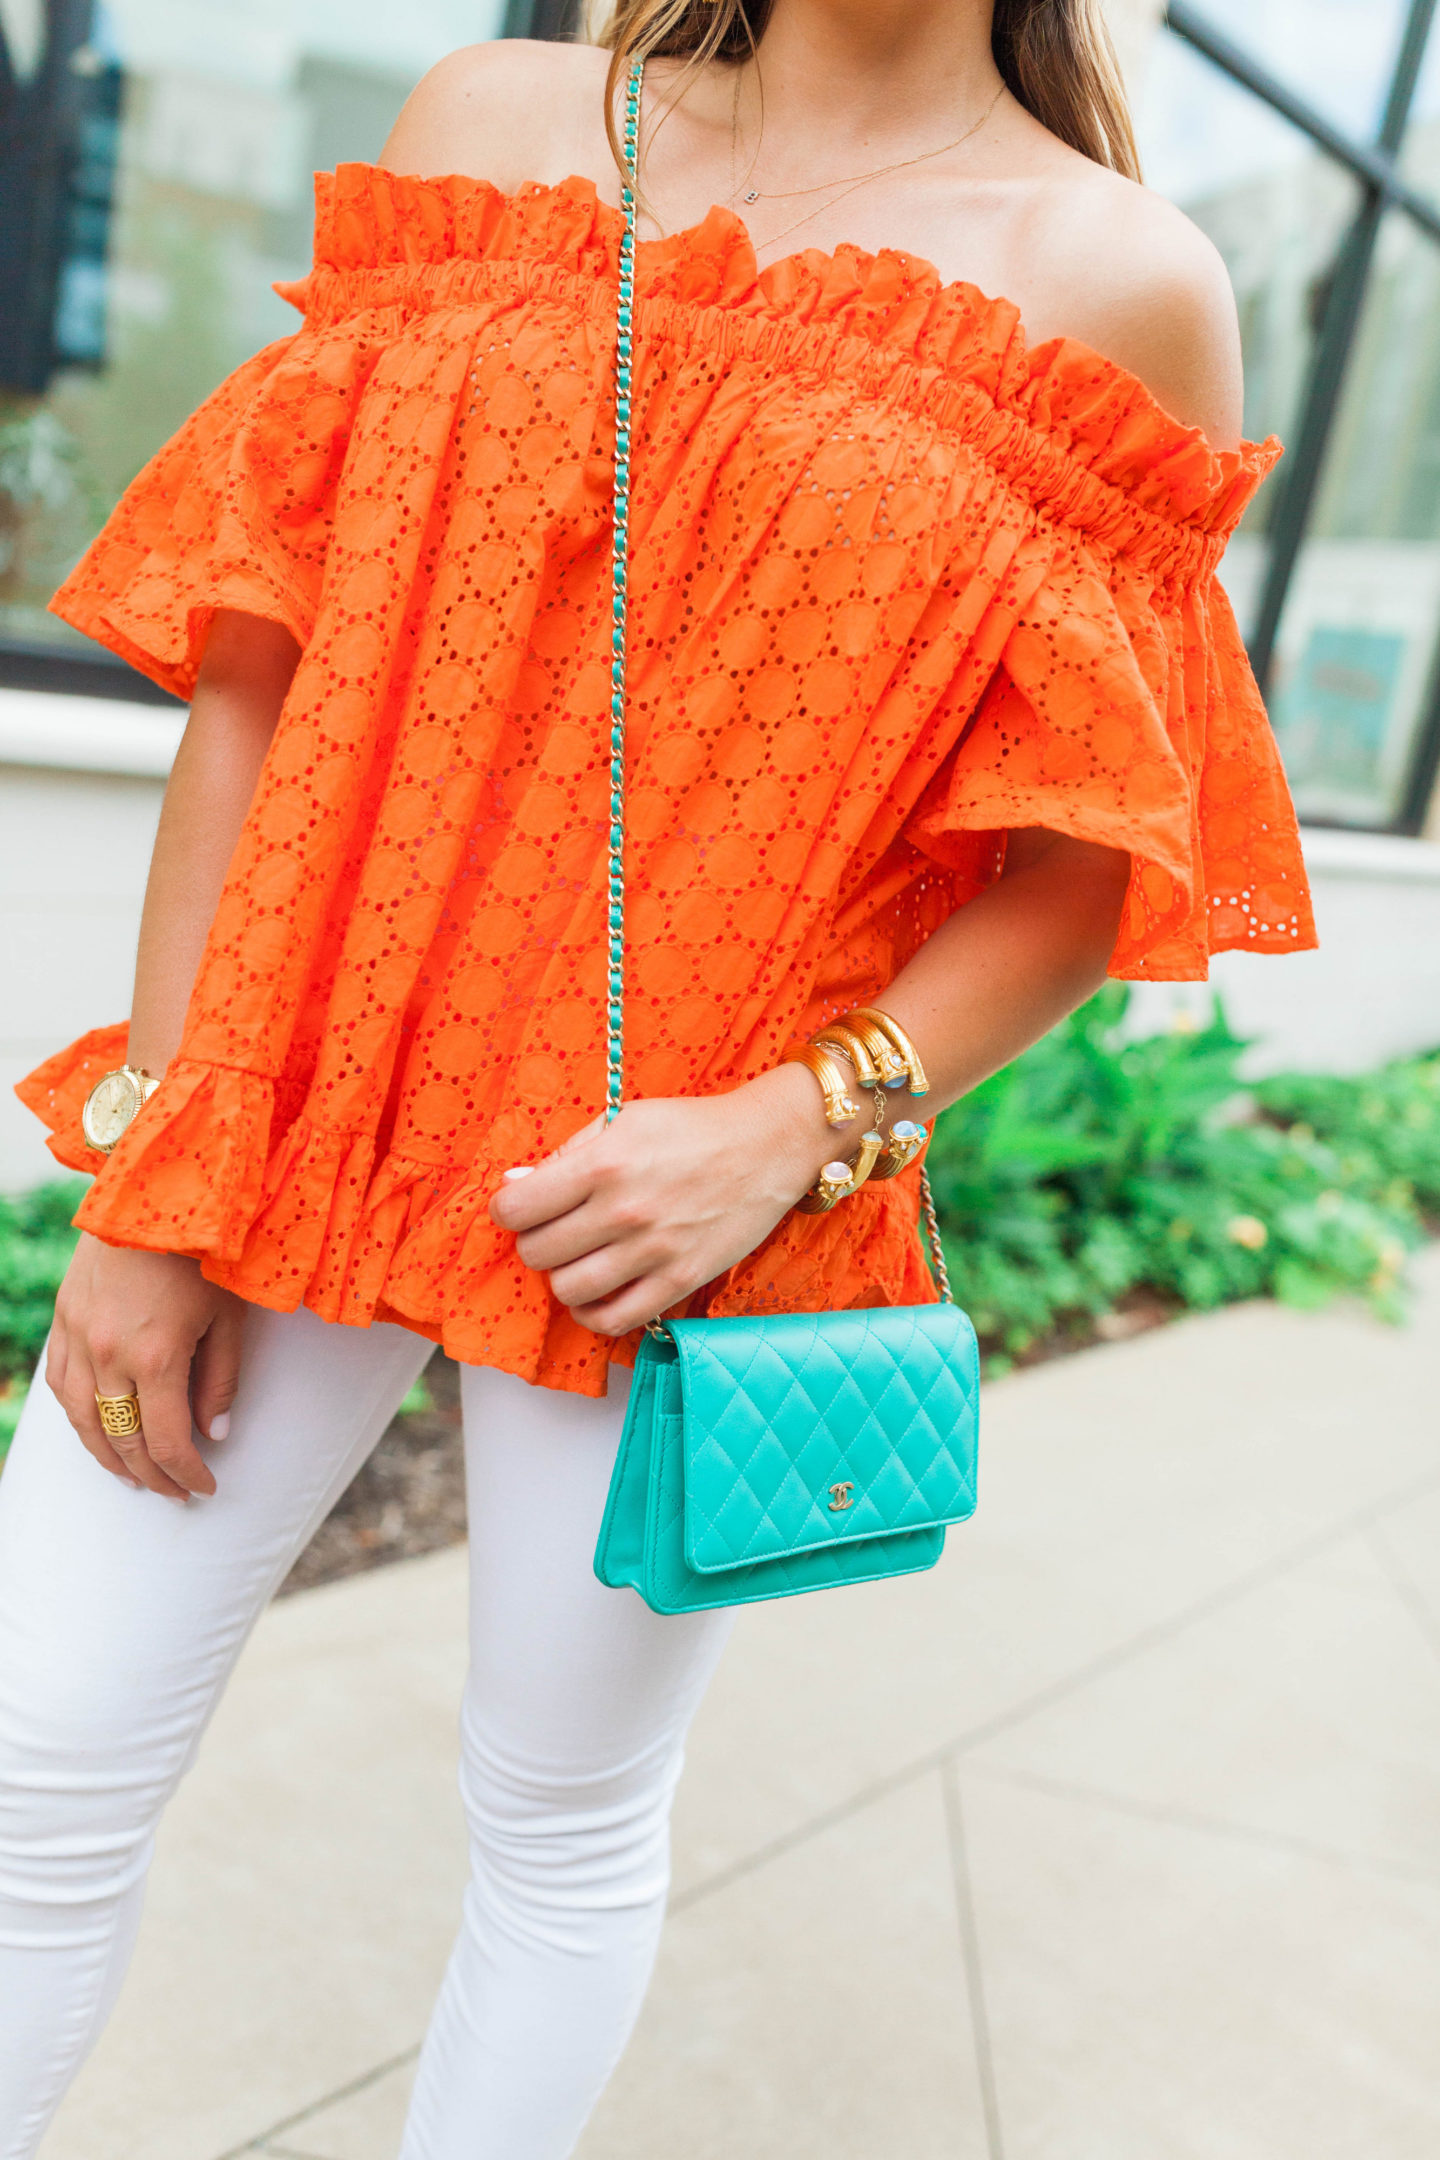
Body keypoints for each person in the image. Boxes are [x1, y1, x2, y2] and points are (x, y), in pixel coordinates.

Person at [0, 2, 1316, 2154]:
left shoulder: (1124, 280)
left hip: (677, 1201)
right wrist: (157, 1149)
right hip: (310, 1096)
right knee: (32, 1748)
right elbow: (261, 668)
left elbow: (1096, 874)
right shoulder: (499, 118)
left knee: (558, 1819)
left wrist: (785, 1133)